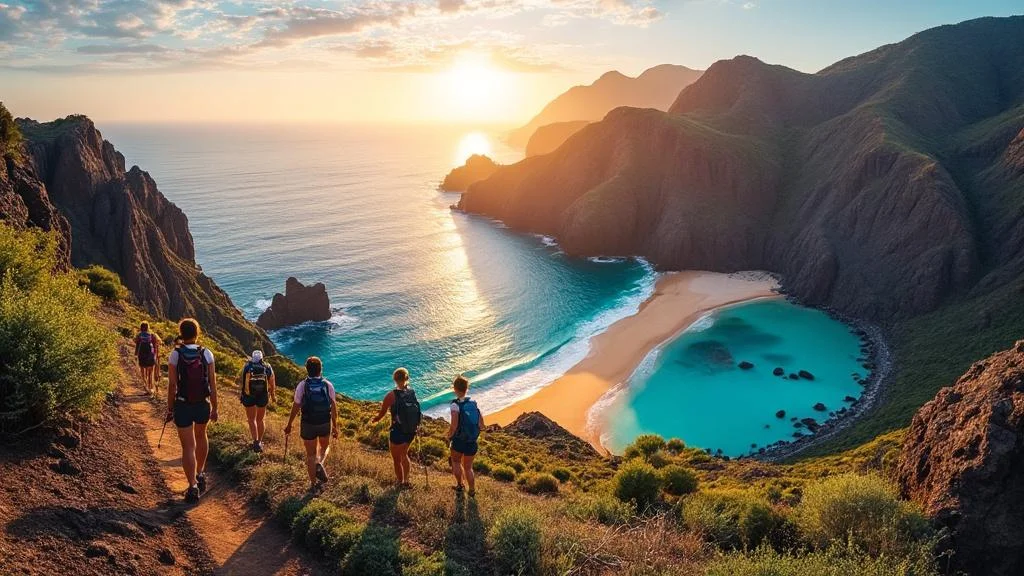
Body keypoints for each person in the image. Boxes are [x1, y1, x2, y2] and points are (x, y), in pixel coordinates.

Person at [166, 318, 217, 503]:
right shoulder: (206, 353)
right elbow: (213, 384)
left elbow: (172, 385)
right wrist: (215, 407)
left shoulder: (175, 355)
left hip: (182, 404)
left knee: (188, 446)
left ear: (181, 333)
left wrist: (170, 407)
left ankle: (192, 486)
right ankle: (200, 473)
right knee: (201, 436)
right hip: (202, 403)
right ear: (197, 332)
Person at [284, 357, 338, 490]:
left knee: (310, 455)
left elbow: (296, 406)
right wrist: (335, 426)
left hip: (308, 423)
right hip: (324, 422)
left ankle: (313, 485)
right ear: (321, 369)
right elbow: (334, 407)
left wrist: (289, 424)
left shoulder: (302, 385)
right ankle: (319, 463)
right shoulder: (328, 385)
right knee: (325, 447)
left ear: (307, 369)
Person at [369, 367, 421, 488]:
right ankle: (406, 481)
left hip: (397, 431)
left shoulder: (391, 395)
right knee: (404, 454)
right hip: (411, 431)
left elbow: (382, 413)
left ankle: (400, 482)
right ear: (407, 378)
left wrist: (375, 419)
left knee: (397, 459)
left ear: (394, 379)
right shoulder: (412, 392)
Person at [446, 375, 482, 496]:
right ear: (467, 388)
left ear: (454, 389)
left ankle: (460, 485)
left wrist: (449, 436)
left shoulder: (455, 405)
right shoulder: (473, 403)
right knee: (468, 467)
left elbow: (454, 425)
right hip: (472, 441)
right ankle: (472, 490)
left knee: (456, 462)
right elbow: (481, 424)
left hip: (459, 440)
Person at [240, 350, 276, 453]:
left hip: (249, 396)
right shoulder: (267, 366)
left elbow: (242, 381)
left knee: (251, 420)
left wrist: (242, 394)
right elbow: (272, 382)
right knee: (260, 420)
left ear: (252, 358)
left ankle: (255, 442)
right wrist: (273, 395)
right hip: (262, 396)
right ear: (261, 358)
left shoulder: (247, 366)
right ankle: (259, 441)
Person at [134, 322, 160, 395]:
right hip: (150, 357)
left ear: (141, 327)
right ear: (148, 327)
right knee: (150, 373)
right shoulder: (152, 335)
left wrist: (135, 355)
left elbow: (136, 344)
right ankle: (151, 388)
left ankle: (146, 387)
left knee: (143, 372)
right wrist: (155, 355)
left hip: (141, 356)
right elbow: (156, 345)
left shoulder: (139, 335)